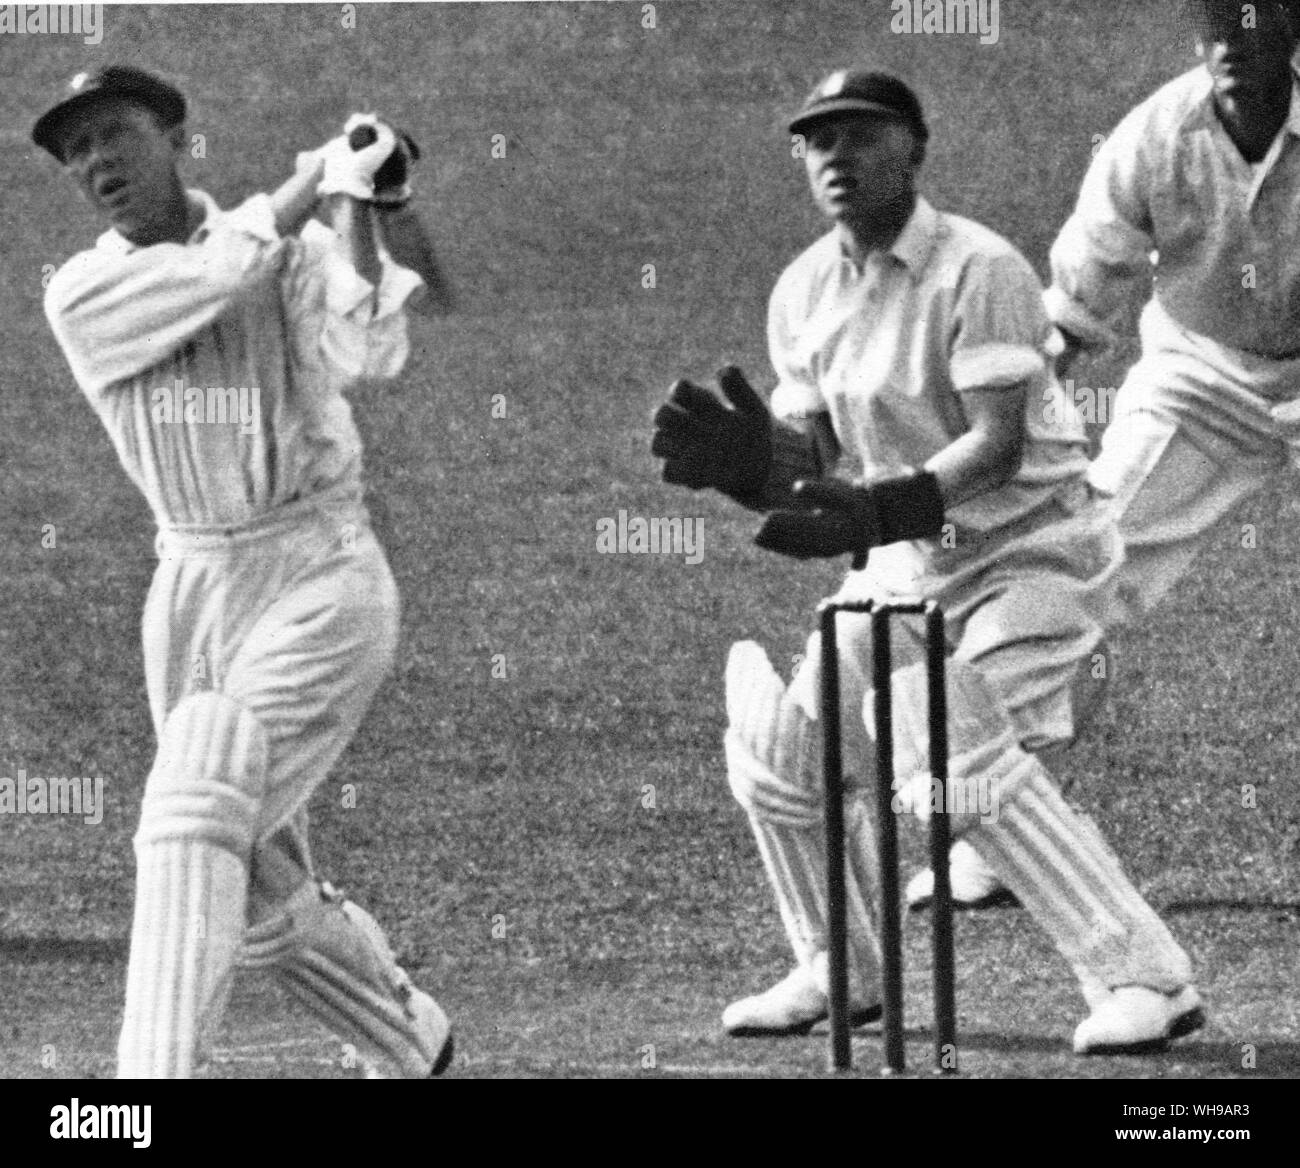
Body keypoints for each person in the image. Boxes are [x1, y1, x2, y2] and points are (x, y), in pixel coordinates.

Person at [651, 68, 1203, 1053]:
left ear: (913, 149)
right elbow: (809, 462)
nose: (837, 158)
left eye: (862, 137)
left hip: (1030, 553)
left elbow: (992, 443)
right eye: (818, 142)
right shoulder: (802, 289)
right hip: (904, 570)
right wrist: (747, 472)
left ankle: (1142, 979)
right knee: (784, 756)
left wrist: (881, 503)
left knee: (953, 757)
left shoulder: (978, 269)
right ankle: (842, 968)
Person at [35, 64, 453, 1078]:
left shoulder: (292, 246)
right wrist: (315, 174)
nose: (96, 161)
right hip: (189, 587)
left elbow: (373, 349)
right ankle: (411, 1041)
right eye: (77, 149)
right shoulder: (86, 291)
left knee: (196, 789)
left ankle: (144, 1092)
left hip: (320, 568)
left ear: (176, 138)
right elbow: (218, 274)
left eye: (115, 134)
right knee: (253, 876)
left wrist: (367, 203)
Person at [1048, 0, 1300, 632]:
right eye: (1216, 22)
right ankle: (1021, 727)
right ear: (1196, 42)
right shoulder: (1155, 132)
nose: (1231, 39)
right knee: (1089, 557)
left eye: (1252, 16)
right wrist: (1022, 414)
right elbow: (1082, 290)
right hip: (1198, 373)